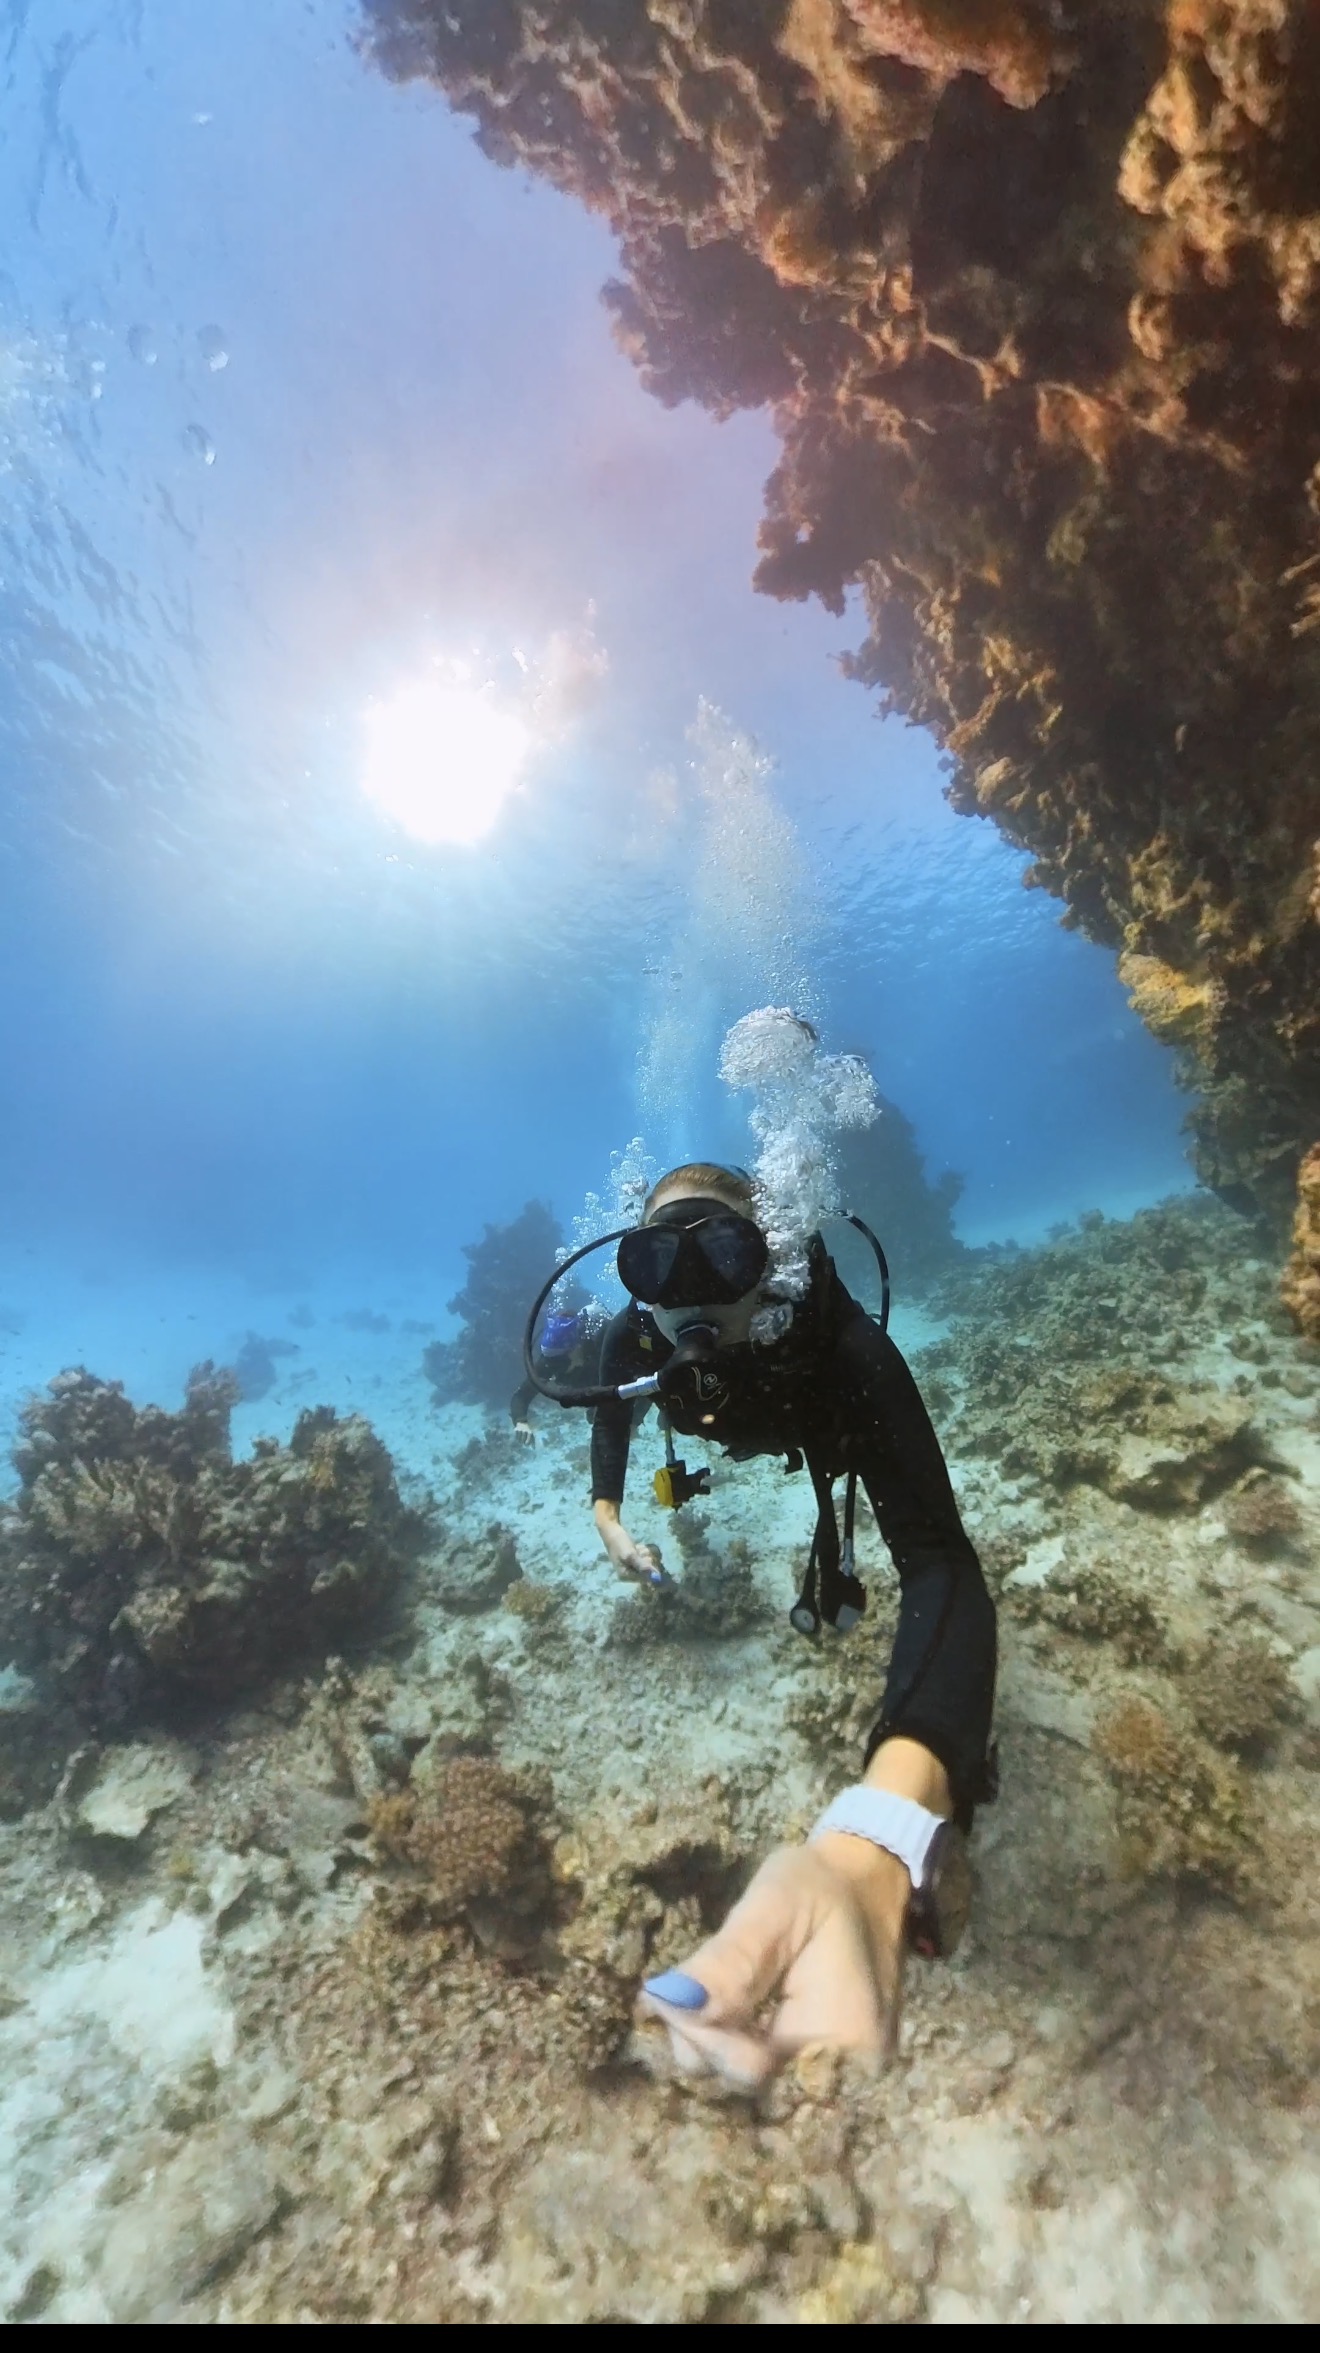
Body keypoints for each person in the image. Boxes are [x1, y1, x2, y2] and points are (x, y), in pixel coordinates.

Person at [588, 1162, 997, 2090]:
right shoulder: (635, 1338)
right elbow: (608, 1428)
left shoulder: (844, 1347)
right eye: (658, 1263)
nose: (688, 1298)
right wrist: (608, 1513)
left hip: (814, 1425)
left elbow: (943, 1563)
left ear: (768, 1262)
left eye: (722, 1256)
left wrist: (875, 1840)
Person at [510, 1303, 597, 1442]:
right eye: (554, 1359)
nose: (558, 1363)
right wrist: (521, 1422)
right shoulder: (550, 1362)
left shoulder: (599, 1353)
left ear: (578, 1346)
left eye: (562, 1358)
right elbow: (521, 1396)